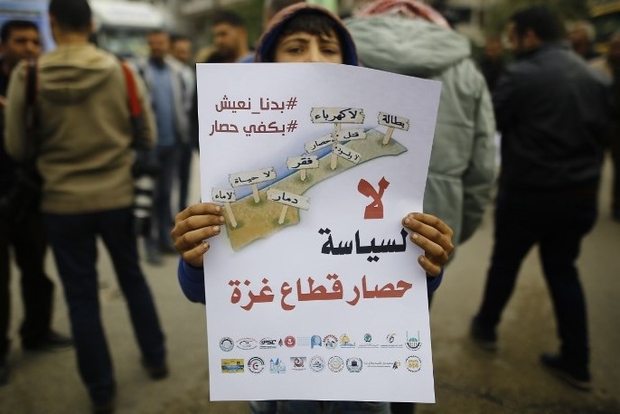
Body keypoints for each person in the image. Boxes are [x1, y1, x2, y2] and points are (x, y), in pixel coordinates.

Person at [172, 4, 454, 414]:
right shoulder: (238, 158)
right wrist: (195, 259)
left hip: (364, 381)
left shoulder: (386, 161)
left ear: (349, 62)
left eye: (328, 48)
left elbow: (401, 286)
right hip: (276, 379)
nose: (314, 60)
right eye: (296, 48)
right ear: (267, 62)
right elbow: (200, 292)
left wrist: (429, 264)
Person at [4, 0, 168, 412]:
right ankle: (156, 357)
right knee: (133, 278)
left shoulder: (29, 75)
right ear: (91, 24)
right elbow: (147, 136)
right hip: (118, 197)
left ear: (52, 23)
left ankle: (101, 391)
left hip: (61, 203)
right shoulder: (122, 71)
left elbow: (17, 148)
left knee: (80, 298)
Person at [345, 2, 496, 412]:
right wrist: (457, 229)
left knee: (341, 330)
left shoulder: (343, 55)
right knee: (406, 338)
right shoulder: (466, 72)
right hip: (429, 234)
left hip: (347, 230)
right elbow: (484, 167)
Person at [469, 6, 611, 392]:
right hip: (580, 195)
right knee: (563, 270)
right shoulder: (596, 78)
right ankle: (577, 360)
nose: (510, 42)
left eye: (513, 34)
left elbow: (492, 123)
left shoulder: (521, 75)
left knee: (505, 263)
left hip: (528, 193)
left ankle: (486, 327)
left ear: (530, 36)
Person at [0, 19, 73, 387]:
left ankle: (37, 331)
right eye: (20, 41)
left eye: (34, 41)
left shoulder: (41, 83)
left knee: (36, 271)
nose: (29, 48)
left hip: (29, 196)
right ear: (3, 46)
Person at [135, 29, 191, 265]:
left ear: (168, 45)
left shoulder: (176, 72)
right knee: (150, 197)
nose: (157, 47)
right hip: (150, 146)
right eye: (154, 43)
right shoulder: (140, 71)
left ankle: (165, 240)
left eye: (161, 43)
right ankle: (149, 246)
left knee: (166, 194)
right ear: (149, 44)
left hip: (172, 144)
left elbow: (184, 103)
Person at [591, 31, 620, 221]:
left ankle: (617, 206)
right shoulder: (596, 67)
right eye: (614, 45)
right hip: (598, 123)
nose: (616, 50)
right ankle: (589, 201)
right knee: (593, 165)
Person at [170, 34, 196, 212]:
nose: (183, 54)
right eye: (179, 51)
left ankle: (183, 209)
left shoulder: (190, 72)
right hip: (173, 136)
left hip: (188, 134)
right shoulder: (169, 73)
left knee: (186, 177)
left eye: (186, 51)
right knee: (169, 181)